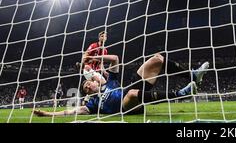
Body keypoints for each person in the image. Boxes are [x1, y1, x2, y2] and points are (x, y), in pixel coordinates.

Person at [33, 53, 209, 117]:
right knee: (132, 93)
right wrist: (47, 113)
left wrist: (96, 58)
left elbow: (116, 59)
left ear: (94, 82)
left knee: (157, 59)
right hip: (127, 107)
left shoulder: (109, 82)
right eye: (86, 88)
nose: (88, 86)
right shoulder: (92, 105)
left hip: (132, 90)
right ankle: (181, 94)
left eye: (88, 83)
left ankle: (191, 75)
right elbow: (68, 111)